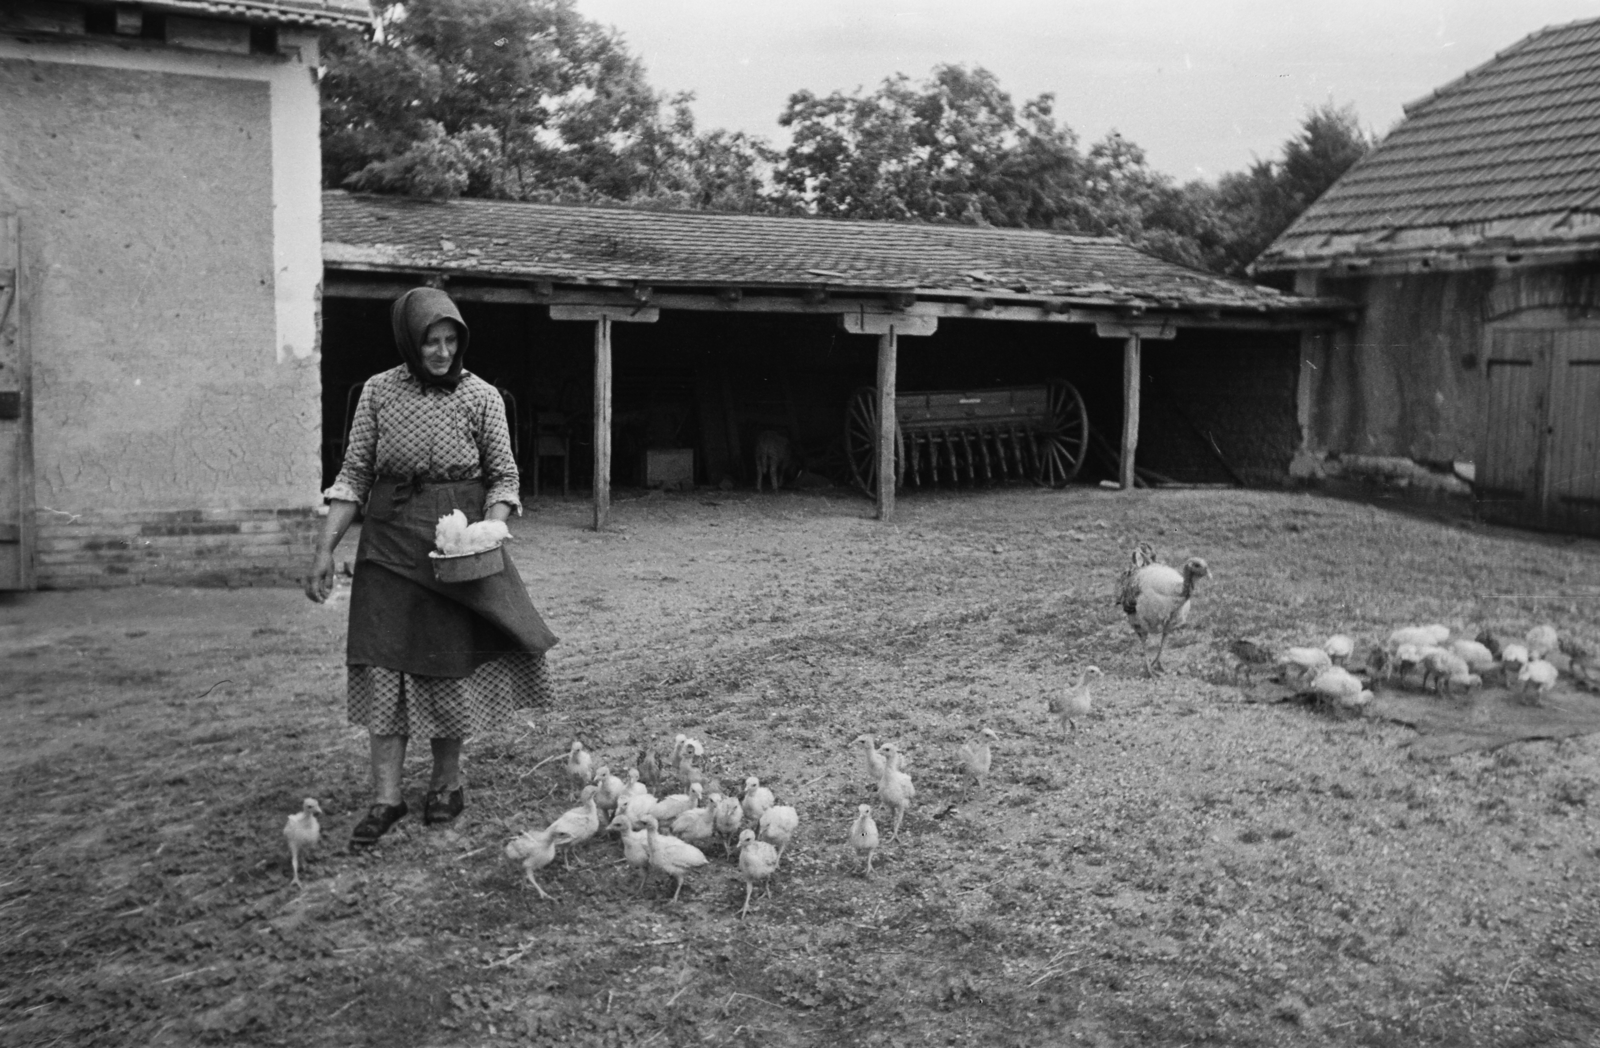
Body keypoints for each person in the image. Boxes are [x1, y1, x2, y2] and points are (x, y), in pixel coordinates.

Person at [306, 287, 557, 848]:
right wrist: (325, 549)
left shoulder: (482, 396)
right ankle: (385, 798)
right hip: (388, 544)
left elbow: (504, 478)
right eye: (430, 342)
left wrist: (485, 534)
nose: (442, 352)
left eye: (450, 341)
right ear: (408, 341)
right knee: (381, 660)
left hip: (455, 547)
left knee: (447, 664)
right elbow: (352, 477)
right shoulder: (377, 392)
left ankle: (447, 782)